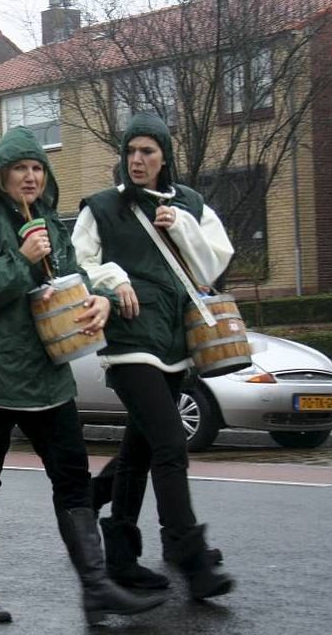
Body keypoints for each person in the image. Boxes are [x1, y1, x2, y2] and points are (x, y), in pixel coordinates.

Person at [0, 126, 168, 624]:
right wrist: (21, 260)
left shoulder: (50, 222)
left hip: (47, 375)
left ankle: (95, 588)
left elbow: (73, 278)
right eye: (20, 168)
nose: (30, 176)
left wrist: (99, 300)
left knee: (71, 478)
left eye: (37, 168)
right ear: (0, 175)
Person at [72, 112, 235, 599]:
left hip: (175, 341)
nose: (138, 160)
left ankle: (120, 554)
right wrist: (114, 279)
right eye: (131, 152)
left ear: (164, 156)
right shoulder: (101, 206)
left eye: (148, 151)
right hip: (129, 343)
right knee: (169, 446)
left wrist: (182, 227)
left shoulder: (190, 204)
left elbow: (212, 267)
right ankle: (189, 553)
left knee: (138, 453)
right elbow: (79, 261)